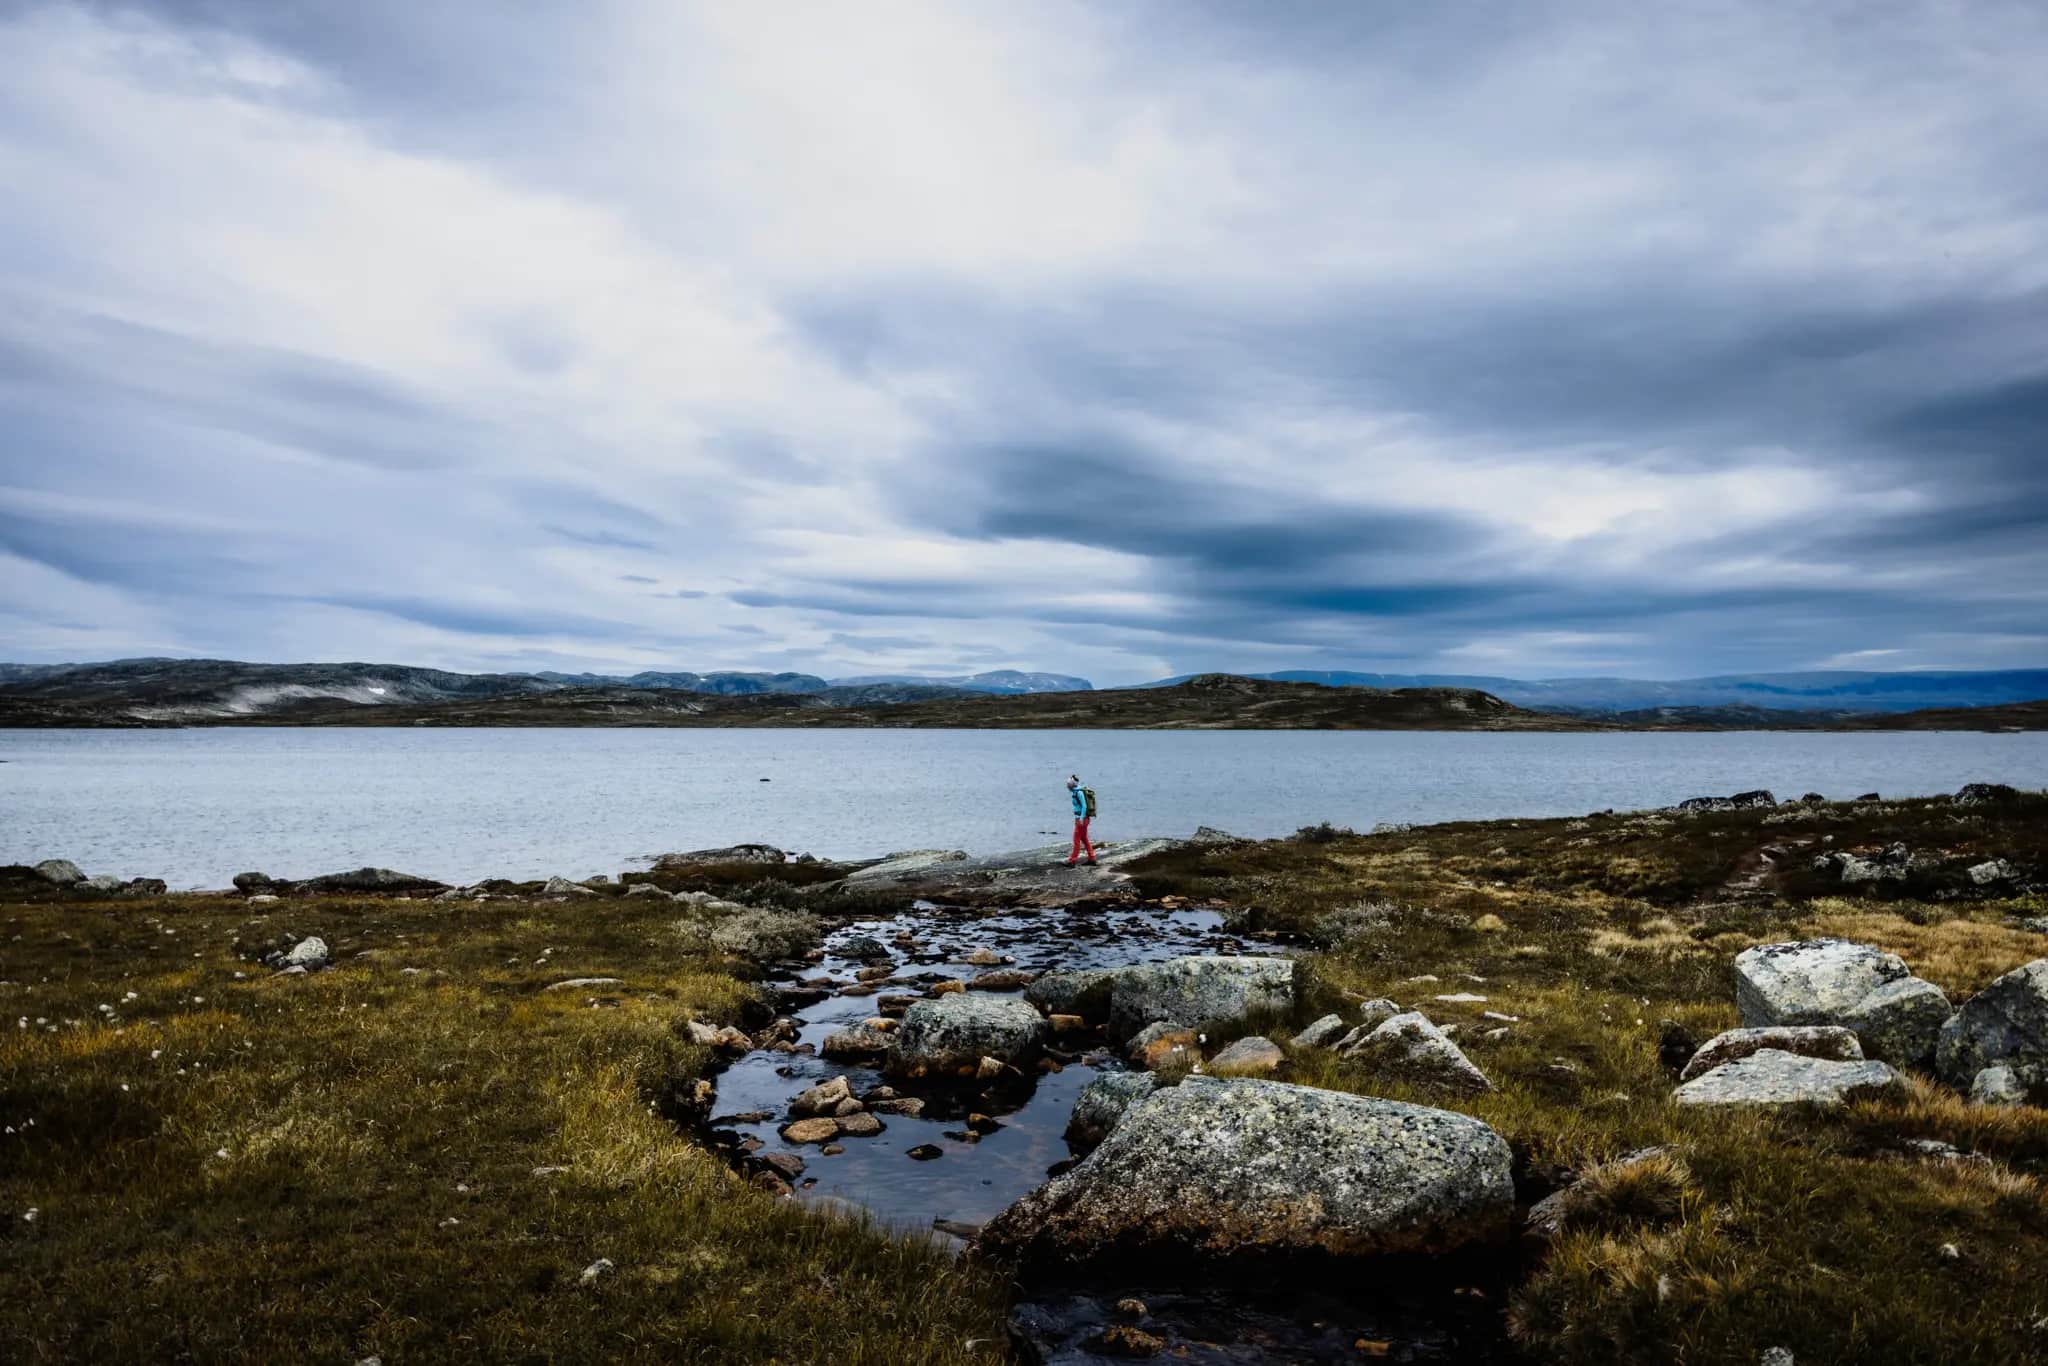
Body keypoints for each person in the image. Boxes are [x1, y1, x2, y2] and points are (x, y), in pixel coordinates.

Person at [1065, 774, 1096, 867]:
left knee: (1076, 839)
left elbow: (1084, 806)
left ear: (1072, 784)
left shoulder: (1079, 793)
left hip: (1081, 819)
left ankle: (1072, 861)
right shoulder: (1076, 792)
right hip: (1081, 819)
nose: (1067, 786)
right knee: (1084, 839)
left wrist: (1081, 818)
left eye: (1068, 784)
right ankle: (1092, 858)